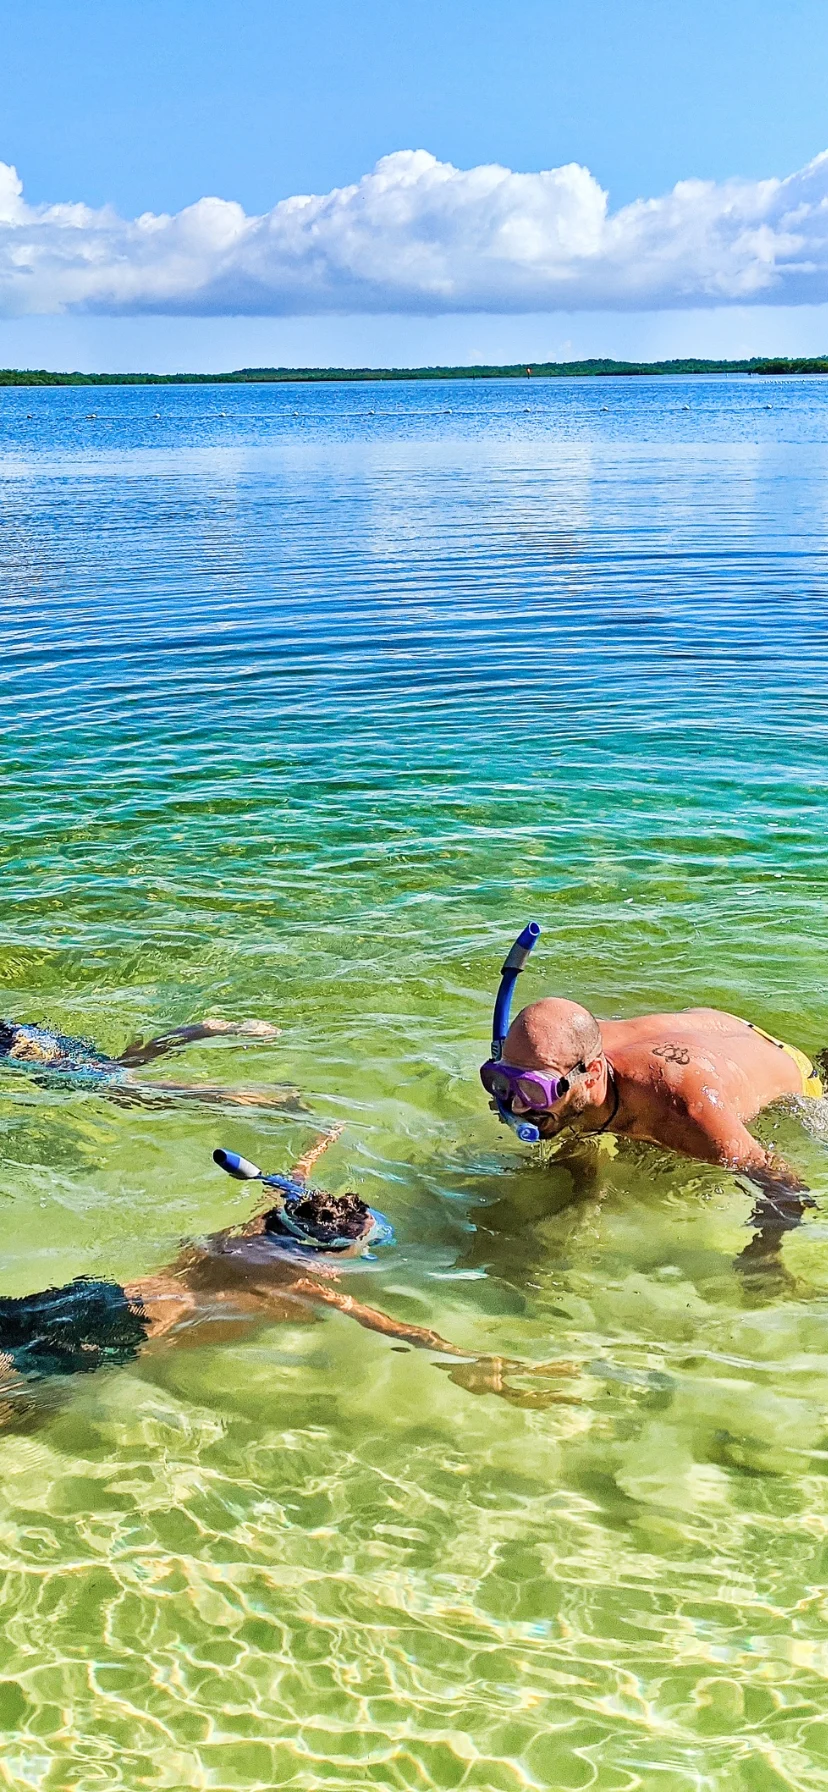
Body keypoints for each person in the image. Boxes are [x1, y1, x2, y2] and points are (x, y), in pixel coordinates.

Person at [0, 1130, 575, 1419]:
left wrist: (321, 1142)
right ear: (329, 1252)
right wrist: (469, 1360)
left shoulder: (260, 1224)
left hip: (94, 1296)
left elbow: (295, 1178)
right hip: (125, 1334)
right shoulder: (301, 1283)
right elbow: (396, 1328)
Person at [484, 995, 826, 1275]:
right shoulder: (557, 1053)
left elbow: (783, 1183)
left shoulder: (684, 1110)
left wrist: (765, 1253)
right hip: (711, 1027)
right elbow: (573, 1117)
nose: (515, 1103)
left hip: (785, 1067)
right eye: (502, 1081)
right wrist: (583, 1194)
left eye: (533, 1089)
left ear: (593, 1074)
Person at [0, 1015, 301, 1110]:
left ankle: (252, 1097)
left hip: (28, 1052)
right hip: (26, 1036)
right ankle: (205, 1028)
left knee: (133, 1089)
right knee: (127, 1065)